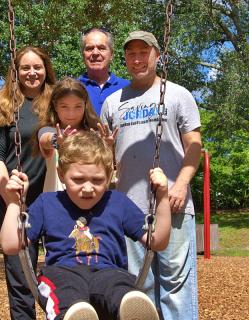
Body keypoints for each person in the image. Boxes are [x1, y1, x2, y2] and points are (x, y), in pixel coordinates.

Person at [0, 131, 171, 320]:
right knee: (69, 298)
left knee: (119, 288)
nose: (88, 188)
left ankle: (132, 311)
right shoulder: (47, 203)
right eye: (78, 180)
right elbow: (10, 245)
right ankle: (75, 315)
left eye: (97, 180)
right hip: (62, 273)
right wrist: (13, 203)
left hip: (109, 272)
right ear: (61, 174)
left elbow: (156, 242)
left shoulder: (117, 202)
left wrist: (162, 196)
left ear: (109, 176)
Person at [100, 31, 203, 320]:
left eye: (143, 53)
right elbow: (106, 160)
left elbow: (194, 146)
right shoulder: (112, 102)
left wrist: (181, 185)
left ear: (157, 55)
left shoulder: (178, 95)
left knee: (175, 284)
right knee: (137, 285)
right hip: (129, 209)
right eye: (131, 54)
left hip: (173, 203)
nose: (137, 59)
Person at [0, 46, 56, 320]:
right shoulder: (4, 103)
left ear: (45, 69)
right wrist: (10, 196)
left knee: (60, 272)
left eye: (37, 67)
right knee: (20, 277)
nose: (31, 73)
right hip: (15, 200)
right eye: (25, 68)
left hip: (52, 199)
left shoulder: (56, 101)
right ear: (16, 72)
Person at [34, 77, 101, 192]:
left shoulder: (94, 133)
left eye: (78, 106)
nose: (71, 113)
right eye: (64, 106)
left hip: (89, 197)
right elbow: (45, 140)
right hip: (56, 203)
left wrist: (108, 145)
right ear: (55, 106)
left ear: (85, 105)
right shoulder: (49, 130)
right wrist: (58, 141)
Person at [79, 28, 130, 115]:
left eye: (101, 48)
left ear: (111, 55)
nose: (95, 53)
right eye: (89, 48)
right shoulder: (73, 88)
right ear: (83, 55)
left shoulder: (128, 88)